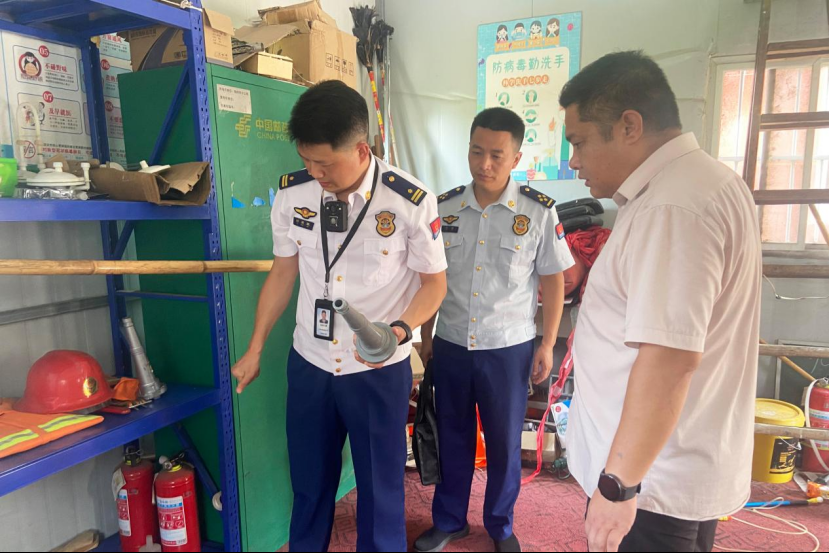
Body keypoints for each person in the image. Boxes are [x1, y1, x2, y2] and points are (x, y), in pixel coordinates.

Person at [231, 80, 448, 552]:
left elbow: (435, 284)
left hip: (377, 369)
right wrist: (255, 347)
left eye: (324, 163)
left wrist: (399, 331)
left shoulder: (409, 201)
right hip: (310, 362)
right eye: (306, 160)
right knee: (309, 486)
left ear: (360, 149)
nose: (315, 172)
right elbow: (283, 272)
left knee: (380, 492)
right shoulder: (293, 194)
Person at [560, 50, 762, 553]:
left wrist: (618, 485)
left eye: (579, 141)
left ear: (629, 126)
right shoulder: (705, 181)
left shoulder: (672, 207)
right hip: (669, 465)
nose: (574, 160)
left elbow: (669, 359)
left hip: (649, 483)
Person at [414, 107, 574, 553]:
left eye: (496, 156)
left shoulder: (538, 212)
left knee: (504, 443)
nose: (484, 164)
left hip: (508, 349)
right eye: (476, 152)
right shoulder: (444, 208)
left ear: (516, 158)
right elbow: (430, 279)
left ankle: (500, 525)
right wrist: (425, 337)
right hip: (450, 344)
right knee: (453, 437)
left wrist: (547, 343)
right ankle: (449, 521)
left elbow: (553, 281)